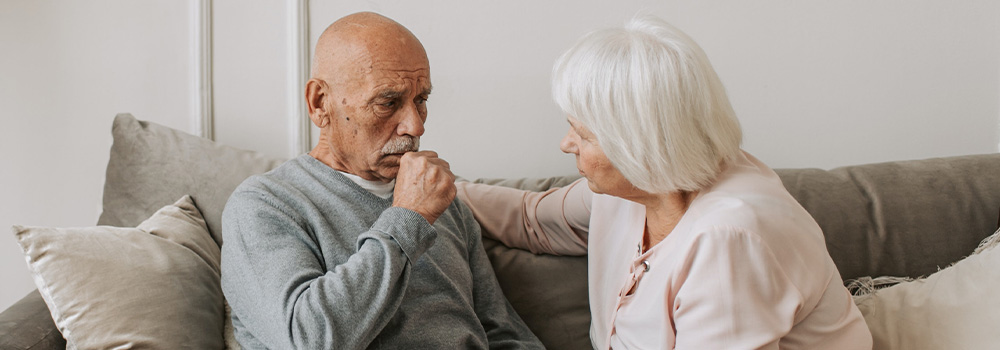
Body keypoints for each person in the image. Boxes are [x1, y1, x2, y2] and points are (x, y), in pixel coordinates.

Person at [456, 15, 873, 349]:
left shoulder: (729, 239)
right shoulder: (635, 188)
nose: (566, 144)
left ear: (637, 143)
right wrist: (428, 183)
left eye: (582, 135)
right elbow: (532, 219)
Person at [220, 12, 543, 349]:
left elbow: (503, 333)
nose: (415, 126)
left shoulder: (444, 203)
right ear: (319, 104)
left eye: (421, 100)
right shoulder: (265, 204)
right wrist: (409, 218)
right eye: (388, 103)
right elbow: (308, 340)